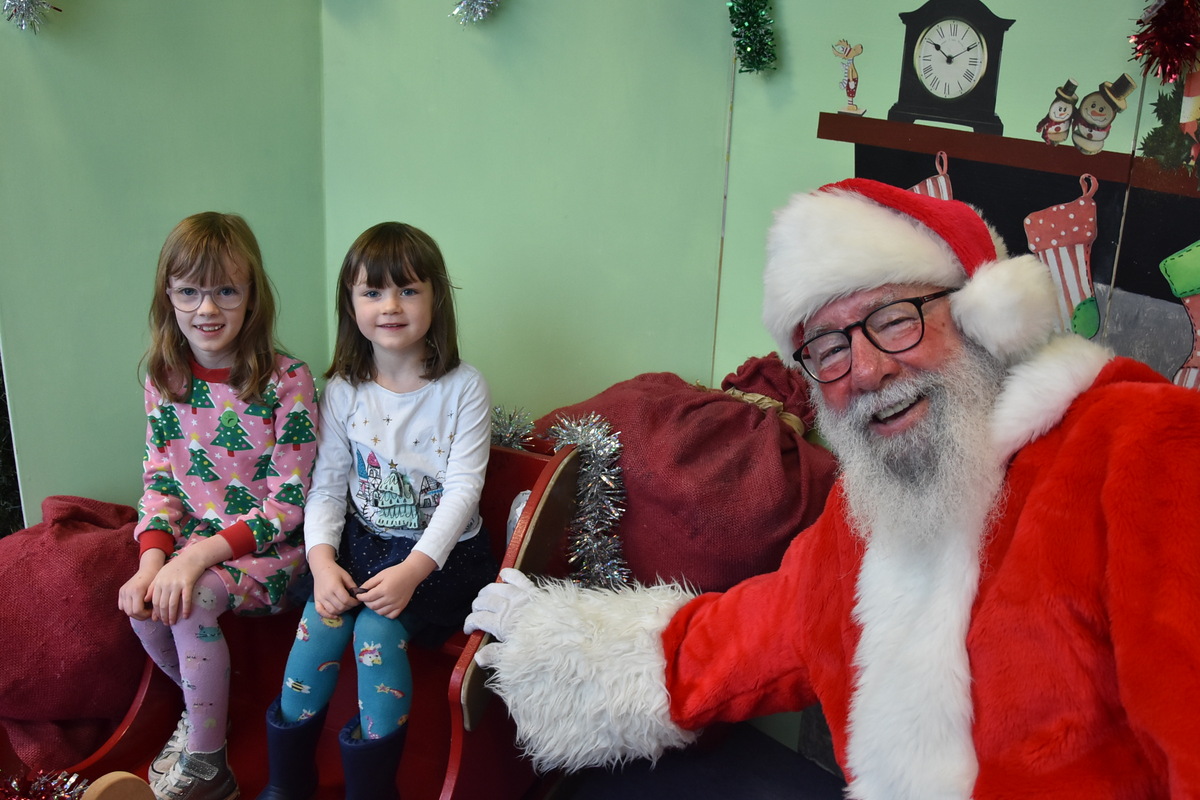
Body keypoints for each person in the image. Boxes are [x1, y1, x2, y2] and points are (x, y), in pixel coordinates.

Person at [465, 179, 1200, 799]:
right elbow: (749, 639)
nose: (867, 369)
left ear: (984, 316)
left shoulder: (1140, 447)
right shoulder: (872, 513)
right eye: (829, 345)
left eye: (893, 318)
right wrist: (562, 643)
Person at [256, 222, 495, 800]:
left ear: (436, 299)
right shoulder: (342, 389)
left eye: (409, 290)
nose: (390, 305)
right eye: (373, 292)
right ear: (351, 302)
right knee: (319, 622)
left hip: (442, 557)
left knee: (376, 632)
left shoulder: (463, 388)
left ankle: (372, 790)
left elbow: (464, 491)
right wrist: (319, 560)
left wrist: (415, 569)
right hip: (363, 546)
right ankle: (288, 784)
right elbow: (329, 484)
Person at [118, 212, 318, 800]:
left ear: (252, 296)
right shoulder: (164, 377)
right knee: (141, 603)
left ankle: (212, 770)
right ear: (169, 298)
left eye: (226, 290)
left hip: (269, 552)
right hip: (193, 546)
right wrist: (154, 560)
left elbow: (289, 504)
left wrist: (194, 560)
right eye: (189, 292)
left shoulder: (288, 380)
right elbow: (160, 482)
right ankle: (204, 711)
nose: (207, 309)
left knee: (192, 599)